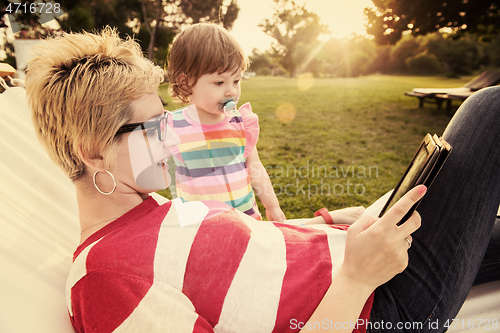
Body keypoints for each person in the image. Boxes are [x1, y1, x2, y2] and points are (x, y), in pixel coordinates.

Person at [25, 27, 499, 333]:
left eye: (166, 118)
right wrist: (356, 278)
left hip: (361, 257)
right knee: (487, 111)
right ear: (91, 152)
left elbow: (255, 255)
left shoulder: (155, 209)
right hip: (380, 306)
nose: (170, 136)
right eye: (151, 127)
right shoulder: (103, 280)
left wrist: (328, 223)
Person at [165, 23, 286, 222]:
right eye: (219, 83)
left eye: (236, 81)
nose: (231, 91)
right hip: (201, 228)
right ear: (186, 82)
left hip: (246, 221)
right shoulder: (173, 127)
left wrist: (272, 205)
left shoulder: (240, 124)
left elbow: (255, 167)